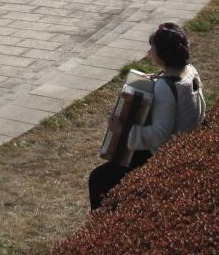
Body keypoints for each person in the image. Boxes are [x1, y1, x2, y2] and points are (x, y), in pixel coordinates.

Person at [88, 22, 206, 210]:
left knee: (99, 180)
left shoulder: (165, 88)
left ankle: (102, 226)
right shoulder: (190, 71)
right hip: (184, 146)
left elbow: (160, 135)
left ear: (164, 53)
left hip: (165, 157)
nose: (149, 51)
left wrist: (124, 131)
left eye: (153, 47)